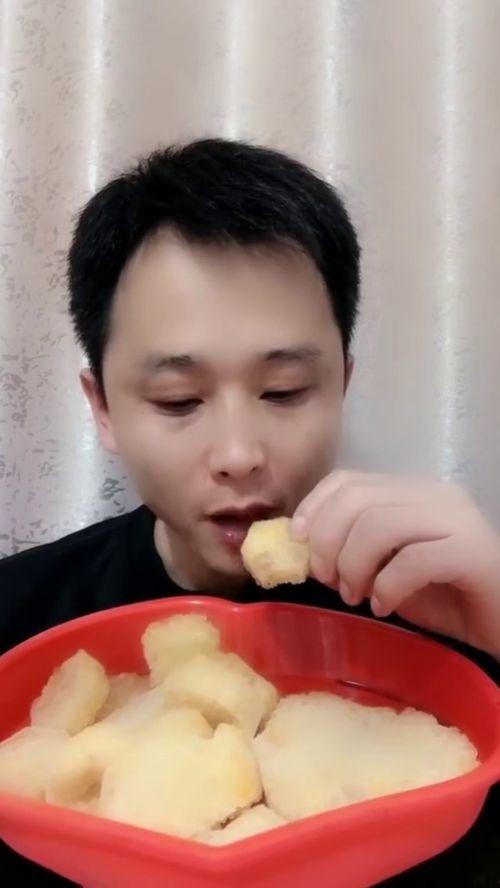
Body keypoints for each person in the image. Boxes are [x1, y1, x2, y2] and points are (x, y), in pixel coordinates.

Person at [0, 138, 498, 886]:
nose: (238, 453)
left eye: (284, 390)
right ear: (101, 407)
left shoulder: (440, 608)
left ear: (342, 385)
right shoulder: (18, 616)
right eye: (179, 400)